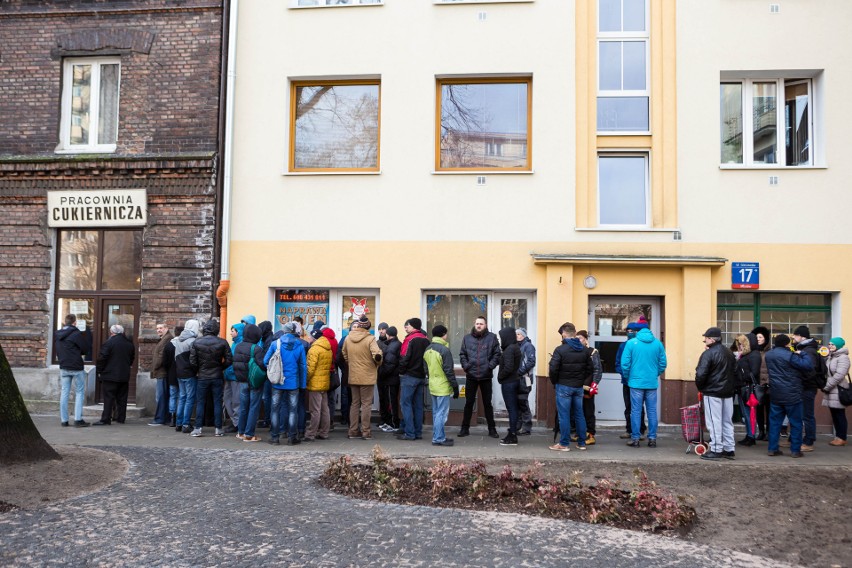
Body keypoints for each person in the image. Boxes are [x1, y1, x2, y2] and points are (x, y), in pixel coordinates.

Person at [765, 334, 813, 458]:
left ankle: (772, 448)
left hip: (776, 394)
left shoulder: (769, 355)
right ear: (787, 344)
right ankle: (795, 450)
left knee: (774, 423)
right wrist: (802, 353)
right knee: (796, 423)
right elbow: (807, 365)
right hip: (792, 395)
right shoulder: (790, 355)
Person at [621, 320, 667, 448]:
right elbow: (663, 364)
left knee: (635, 411)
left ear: (637, 331)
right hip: (651, 383)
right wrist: (654, 374)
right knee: (652, 411)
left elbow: (625, 364)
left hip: (635, 383)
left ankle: (635, 438)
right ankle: (652, 438)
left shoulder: (631, 343)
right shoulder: (658, 344)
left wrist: (629, 377)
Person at [694, 327, 738, 460]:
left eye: (706, 339)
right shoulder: (729, 353)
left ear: (711, 339)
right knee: (727, 421)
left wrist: (701, 387)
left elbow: (701, 374)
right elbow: (735, 371)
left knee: (714, 421)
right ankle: (729, 448)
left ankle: (716, 449)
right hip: (728, 392)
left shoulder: (708, 354)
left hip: (712, 391)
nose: (704, 341)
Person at [547, 322, 592, 452]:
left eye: (562, 335)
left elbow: (553, 369)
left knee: (564, 416)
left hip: (563, 386)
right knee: (579, 415)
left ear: (565, 334)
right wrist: (580, 380)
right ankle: (582, 443)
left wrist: (555, 381)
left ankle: (564, 444)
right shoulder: (584, 350)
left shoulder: (560, 349)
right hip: (578, 387)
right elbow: (590, 369)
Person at [263, 322, 307, 445]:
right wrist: (303, 384)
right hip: (293, 382)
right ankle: (292, 437)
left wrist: (273, 371)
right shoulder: (299, 345)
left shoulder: (275, 344)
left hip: (277, 382)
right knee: (293, 410)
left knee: (275, 409)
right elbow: (303, 366)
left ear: (284, 331)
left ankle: (275, 437)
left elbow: (265, 361)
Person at [458, 316, 501, 439]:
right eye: (477, 323)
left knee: (487, 403)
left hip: (486, 376)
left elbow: (497, 354)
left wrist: (490, 366)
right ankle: (464, 428)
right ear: (474, 324)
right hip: (471, 375)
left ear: (485, 325)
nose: (478, 326)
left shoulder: (492, 338)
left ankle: (492, 429)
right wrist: (466, 366)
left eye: (481, 324)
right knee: (468, 403)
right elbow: (462, 354)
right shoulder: (467, 338)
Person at [189, 319, 232, 437]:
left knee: (201, 402)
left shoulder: (197, 342)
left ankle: (198, 428)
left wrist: (198, 370)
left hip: (202, 376)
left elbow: (192, 361)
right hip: (217, 375)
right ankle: (218, 428)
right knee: (217, 401)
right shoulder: (222, 342)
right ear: (216, 329)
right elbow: (229, 360)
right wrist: (220, 367)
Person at [342, 316, 383, 440]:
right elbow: (377, 355)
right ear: (368, 327)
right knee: (366, 404)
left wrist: (351, 363)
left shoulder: (348, 338)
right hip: (367, 376)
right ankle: (366, 431)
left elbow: (344, 353)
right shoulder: (370, 339)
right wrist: (377, 363)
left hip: (353, 375)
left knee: (354, 404)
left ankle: (353, 431)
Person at [423, 324, 458, 447]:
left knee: (436, 412)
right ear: (443, 334)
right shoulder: (444, 350)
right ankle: (438, 438)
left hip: (433, 385)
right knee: (441, 414)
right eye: (446, 333)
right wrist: (455, 386)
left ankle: (439, 436)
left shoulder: (428, 349)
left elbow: (425, 369)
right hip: (443, 386)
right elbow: (449, 370)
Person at [396, 317, 430, 441]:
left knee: (405, 404)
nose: (406, 328)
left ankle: (409, 433)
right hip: (421, 376)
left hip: (409, 376)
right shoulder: (426, 340)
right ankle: (418, 432)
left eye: (408, 325)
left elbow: (404, 357)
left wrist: (401, 371)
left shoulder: (409, 339)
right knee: (418, 405)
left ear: (413, 326)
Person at [94, 324, 135, 426]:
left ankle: (106, 419)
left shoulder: (109, 343)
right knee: (122, 398)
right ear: (122, 332)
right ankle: (121, 418)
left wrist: (99, 371)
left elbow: (102, 358)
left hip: (110, 375)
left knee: (108, 398)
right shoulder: (129, 344)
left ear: (111, 332)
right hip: (124, 375)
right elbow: (131, 359)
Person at [55, 314, 91, 427]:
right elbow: (85, 349)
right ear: (74, 323)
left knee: (64, 392)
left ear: (65, 322)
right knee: (79, 392)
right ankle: (78, 419)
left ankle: (64, 420)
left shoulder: (58, 334)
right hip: (76, 366)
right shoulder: (76, 334)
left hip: (64, 366)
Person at [792, 325, 821, 452]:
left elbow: (810, 370)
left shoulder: (809, 351)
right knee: (801, 414)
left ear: (802, 337)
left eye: (795, 335)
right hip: (804, 387)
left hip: (807, 387)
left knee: (807, 415)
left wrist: (800, 379)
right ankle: (795, 439)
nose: (793, 337)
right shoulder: (804, 349)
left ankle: (809, 441)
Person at [233, 323, 264, 442]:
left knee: (243, 407)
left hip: (241, 381)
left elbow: (235, 363)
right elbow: (262, 364)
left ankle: (241, 432)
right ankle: (249, 434)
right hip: (253, 382)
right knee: (253, 407)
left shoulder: (238, 346)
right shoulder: (256, 348)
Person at [616, 321, 647, 440]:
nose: (629, 333)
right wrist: (625, 375)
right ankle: (629, 430)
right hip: (627, 382)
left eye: (632, 331)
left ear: (637, 332)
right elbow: (618, 363)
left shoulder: (640, 345)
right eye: (627, 331)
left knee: (639, 407)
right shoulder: (623, 346)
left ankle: (641, 430)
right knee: (628, 407)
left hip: (639, 382)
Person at [304, 325, 332, 442]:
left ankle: (311, 433)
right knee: (324, 409)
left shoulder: (314, 349)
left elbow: (310, 368)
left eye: (310, 336)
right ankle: (324, 432)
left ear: (314, 337)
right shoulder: (327, 347)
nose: (308, 338)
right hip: (324, 382)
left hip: (315, 383)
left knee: (315, 410)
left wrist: (305, 380)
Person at [172, 319, 200, 433]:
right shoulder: (193, 341)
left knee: (182, 398)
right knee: (189, 399)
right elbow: (194, 360)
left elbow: (176, 357)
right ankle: (186, 424)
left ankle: (178, 423)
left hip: (179, 372)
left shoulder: (178, 339)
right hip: (189, 373)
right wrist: (196, 370)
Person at [497, 326, 522, 446]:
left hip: (509, 383)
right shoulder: (515, 347)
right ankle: (512, 432)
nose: (501, 339)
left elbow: (508, 367)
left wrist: (500, 376)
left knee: (512, 409)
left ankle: (512, 435)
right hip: (514, 381)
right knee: (513, 408)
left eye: (502, 337)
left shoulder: (509, 349)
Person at [734, 333, 762, 446]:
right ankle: (749, 435)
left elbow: (754, 372)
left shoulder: (754, 355)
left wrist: (742, 377)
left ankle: (751, 436)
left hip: (748, 388)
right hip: (743, 387)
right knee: (745, 414)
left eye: (741, 344)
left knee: (749, 413)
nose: (739, 346)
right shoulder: (747, 355)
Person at [575, 330, 602, 445]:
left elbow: (597, 369)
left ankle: (590, 434)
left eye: (580, 338)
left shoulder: (592, 352)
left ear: (585, 339)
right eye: (576, 338)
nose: (578, 340)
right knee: (577, 410)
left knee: (588, 410)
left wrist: (594, 384)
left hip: (587, 386)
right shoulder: (574, 351)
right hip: (575, 385)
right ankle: (580, 433)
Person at [822, 337, 850, 447]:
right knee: (834, 414)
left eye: (833, 344)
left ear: (838, 346)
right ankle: (838, 436)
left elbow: (839, 375)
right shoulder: (831, 357)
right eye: (829, 344)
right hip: (831, 389)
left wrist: (827, 386)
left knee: (839, 414)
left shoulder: (843, 358)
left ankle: (842, 437)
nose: (830, 346)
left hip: (838, 389)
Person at [377, 323, 402, 432]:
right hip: (389, 378)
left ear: (388, 334)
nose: (382, 332)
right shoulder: (393, 344)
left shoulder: (393, 345)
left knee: (391, 401)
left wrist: (381, 373)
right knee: (387, 401)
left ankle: (393, 423)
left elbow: (389, 364)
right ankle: (388, 422)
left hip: (390, 378)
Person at [148, 322, 173, 426]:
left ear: (166, 328)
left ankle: (160, 418)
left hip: (162, 372)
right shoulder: (163, 339)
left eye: (161, 328)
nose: (158, 330)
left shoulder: (167, 339)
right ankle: (165, 418)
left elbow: (161, 357)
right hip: (161, 372)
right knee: (163, 396)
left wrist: (155, 368)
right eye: (157, 328)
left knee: (161, 396)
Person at [221, 322, 244, 433]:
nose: (230, 333)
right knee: (227, 399)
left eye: (232, 331)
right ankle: (235, 421)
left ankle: (237, 423)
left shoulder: (241, 344)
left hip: (236, 376)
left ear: (238, 332)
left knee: (236, 401)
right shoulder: (234, 343)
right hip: (229, 375)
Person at [751, 326, 772, 440]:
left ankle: (769, 432)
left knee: (769, 410)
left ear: (765, 338)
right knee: (758, 410)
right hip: (756, 385)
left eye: (760, 337)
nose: (758, 339)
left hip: (767, 385)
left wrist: (768, 383)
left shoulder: (769, 352)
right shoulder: (753, 351)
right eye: (756, 337)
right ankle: (761, 432)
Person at [515, 328, 536, 436]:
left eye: (519, 334)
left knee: (523, 401)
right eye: (516, 334)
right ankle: (518, 426)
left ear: (523, 335)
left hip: (525, 378)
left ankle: (527, 427)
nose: (517, 336)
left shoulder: (528, 346)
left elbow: (531, 362)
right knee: (518, 402)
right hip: (519, 378)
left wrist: (519, 371)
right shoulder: (518, 345)